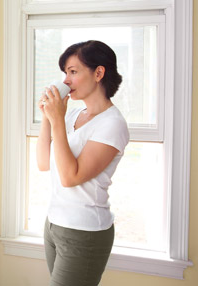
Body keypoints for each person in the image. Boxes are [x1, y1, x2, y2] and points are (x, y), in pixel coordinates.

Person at [37, 40, 129, 286]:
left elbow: (70, 177)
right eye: (65, 73)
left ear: (99, 73)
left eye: (73, 72)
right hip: (54, 224)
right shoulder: (74, 116)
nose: (66, 80)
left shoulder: (112, 124)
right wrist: (48, 118)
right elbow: (44, 163)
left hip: (83, 232)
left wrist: (57, 120)